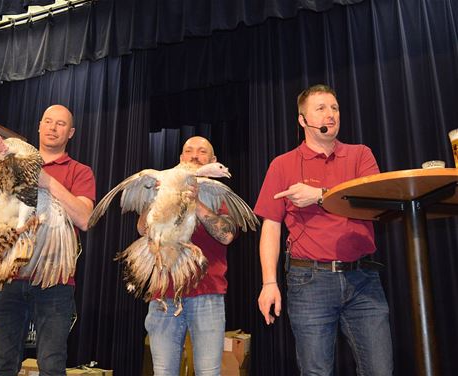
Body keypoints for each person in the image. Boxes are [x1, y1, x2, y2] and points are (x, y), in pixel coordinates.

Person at [254, 84, 393, 375]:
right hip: (309, 281)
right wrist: (269, 283)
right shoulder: (282, 164)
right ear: (302, 120)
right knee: (315, 371)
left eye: (335, 108)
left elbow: (376, 203)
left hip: (363, 279)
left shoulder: (360, 155)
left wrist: (319, 195)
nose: (330, 114)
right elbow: (271, 226)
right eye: (321, 108)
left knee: (380, 370)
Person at [0, 104, 96, 376]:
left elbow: (85, 219)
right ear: (39, 126)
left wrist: (46, 180)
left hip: (55, 279)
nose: (53, 128)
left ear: (71, 133)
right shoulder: (13, 159)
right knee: (1, 364)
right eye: (48, 121)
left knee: (52, 364)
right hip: (9, 276)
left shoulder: (80, 172)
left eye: (61, 124)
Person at [140, 136, 237, 375]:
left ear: (213, 161)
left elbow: (226, 236)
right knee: (163, 371)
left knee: (208, 371)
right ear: (180, 158)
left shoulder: (219, 194)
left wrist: (197, 203)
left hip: (207, 293)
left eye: (202, 152)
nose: (194, 156)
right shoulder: (164, 184)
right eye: (188, 151)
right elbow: (143, 229)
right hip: (163, 293)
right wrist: (157, 199)